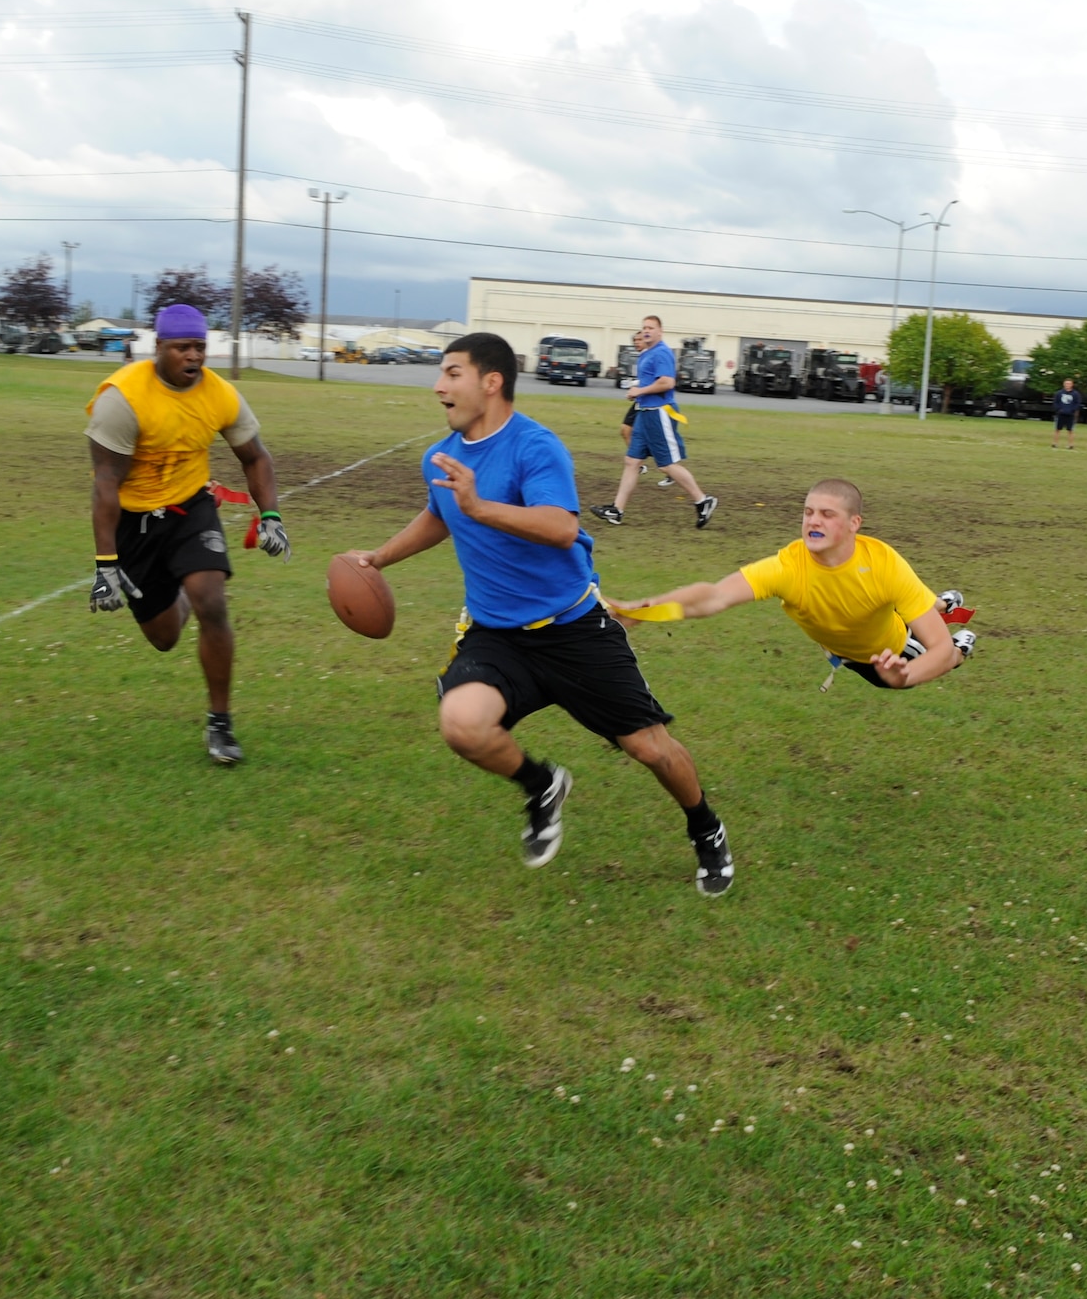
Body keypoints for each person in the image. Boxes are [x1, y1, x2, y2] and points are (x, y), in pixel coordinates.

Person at [341, 332, 734, 897]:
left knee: (649, 748)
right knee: (462, 724)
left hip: (573, 628)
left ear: (491, 381)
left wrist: (481, 505)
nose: (438, 385)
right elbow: (439, 515)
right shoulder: (442, 458)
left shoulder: (535, 446)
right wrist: (379, 557)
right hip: (496, 635)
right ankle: (542, 783)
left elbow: (561, 527)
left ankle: (705, 826)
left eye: (452, 373)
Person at [86, 303, 288, 767]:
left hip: (190, 507)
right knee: (163, 637)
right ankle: (176, 591)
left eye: (200, 347)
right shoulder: (121, 399)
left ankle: (220, 723)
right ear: (158, 348)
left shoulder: (220, 395)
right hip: (135, 520)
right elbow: (105, 486)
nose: (193, 357)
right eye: (182, 348)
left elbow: (255, 458)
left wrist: (271, 516)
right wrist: (105, 566)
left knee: (212, 602)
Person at [607, 478, 973, 692]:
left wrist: (904, 676)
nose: (813, 521)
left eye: (827, 514)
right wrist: (641, 610)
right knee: (907, 608)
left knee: (941, 653)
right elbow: (714, 597)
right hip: (849, 635)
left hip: (882, 651)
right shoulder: (788, 566)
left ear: (853, 523)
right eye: (808, 512)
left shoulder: (884, 564)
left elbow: (936, 650)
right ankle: (940, 603)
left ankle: (963, 642)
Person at [589, 314, 717, 529]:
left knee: (667, 464)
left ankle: (703, 500)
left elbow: (667, 382)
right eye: (644, 327)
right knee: (632, 461)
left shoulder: (661, 353)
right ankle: (617, 510)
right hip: (645, 413)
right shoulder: (647, 353)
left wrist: (640, 390)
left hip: (659, 413)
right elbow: (653, 380)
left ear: (660, 331)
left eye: (651, 327)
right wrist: (637, 389)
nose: (646, 331)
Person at [1051, 378, 1082, 448]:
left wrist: (1072, 410)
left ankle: (1070, 444)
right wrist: (1058, 409)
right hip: (1061, 414)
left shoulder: (1075, 394)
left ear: (1072, 385)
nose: (1067, 385)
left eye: (1069, 383)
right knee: (1057, 429)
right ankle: (1055, 443)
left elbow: (1077, 403)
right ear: (1064, 384)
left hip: (1070, 414)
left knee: (1070, 430)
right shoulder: (1059, 393)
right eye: (1066, 383)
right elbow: (1055, 402)